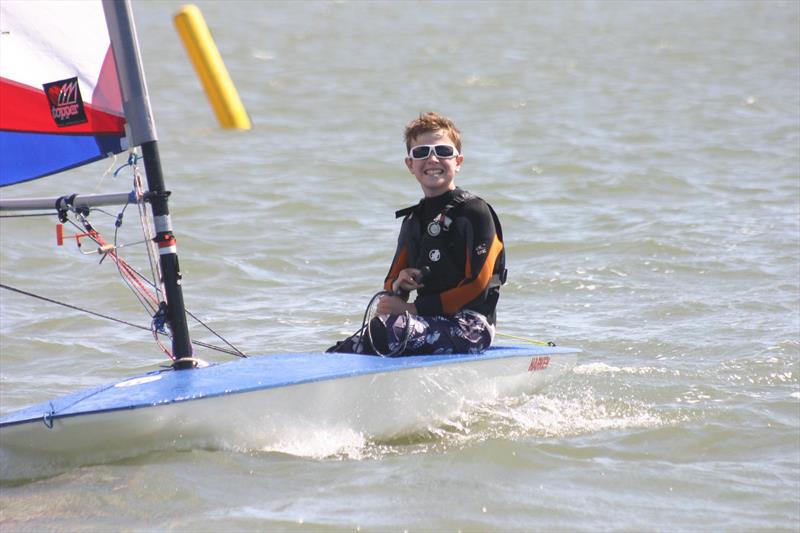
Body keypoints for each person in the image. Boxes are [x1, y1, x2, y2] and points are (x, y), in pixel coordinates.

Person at [328, 111, 506, 356]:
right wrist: (400, 283)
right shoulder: (413, 220)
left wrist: (411, 309)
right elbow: (391, 280)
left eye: (443, 152)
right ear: (410, 165)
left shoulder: (475, 212)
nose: (432, 159)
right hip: (421, 321)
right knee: (342, 350)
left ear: (458, 162)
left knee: (385, 330)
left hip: (471, 327)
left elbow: (477, 284)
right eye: (422, 153)